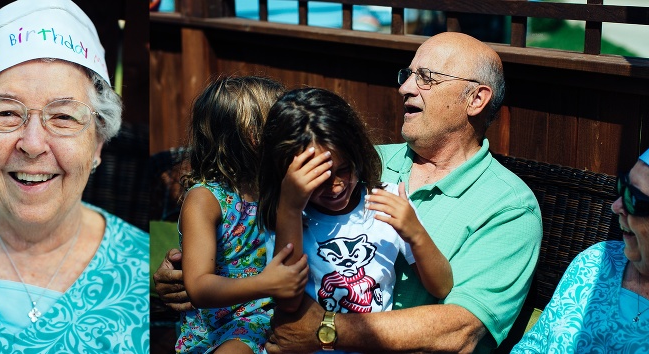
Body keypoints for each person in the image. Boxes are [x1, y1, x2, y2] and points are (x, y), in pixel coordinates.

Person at [154, 32, 543, 353]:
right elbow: (268, 186)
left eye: (426, 77)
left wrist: (324, 329)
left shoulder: (508, 206)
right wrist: (195, 267)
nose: (405, 87)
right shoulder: (364, 160)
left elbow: (461, 331)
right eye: (407, 74)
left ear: (475, 98)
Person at [0, 0, 148, 352]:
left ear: (98, 143)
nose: (33, 144)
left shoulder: (147, 272)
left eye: (64, 117)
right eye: (7, 113)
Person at [258, 87, 453, 351]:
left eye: (344, 169)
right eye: (319, 178)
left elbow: (441, 286)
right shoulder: (286, 216)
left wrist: (415, 233)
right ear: (286, 172)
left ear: (357, 154)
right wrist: (290, 210)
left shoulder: (387, 202)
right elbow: (289, 302)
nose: (336, 186)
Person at [512, 121, 649, 353]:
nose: (616, 206)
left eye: (636, 200)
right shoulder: (595, 262)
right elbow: (533, 347)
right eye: (623, 186)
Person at [174, 76, 309, 354]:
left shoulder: (282, 187)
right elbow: (198, 286)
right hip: (222, 327)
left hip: (277, 318)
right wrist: (266, 284)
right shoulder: (206, 199)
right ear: (252, 135)